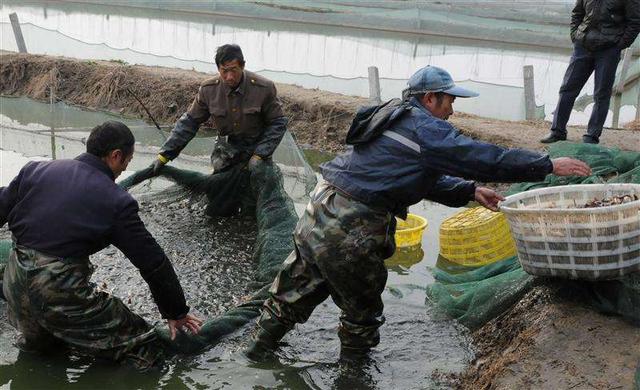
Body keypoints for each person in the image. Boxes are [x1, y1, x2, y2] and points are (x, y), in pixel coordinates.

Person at [245, 65, 592, 360]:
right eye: (449, 101)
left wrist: (469, 190)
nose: (452, 111)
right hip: (352, 224)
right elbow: (481, 156)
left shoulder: (392, 118)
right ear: (430, 99)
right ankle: (354, 377)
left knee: (289, 296)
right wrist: (545, 163)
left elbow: (406, 175)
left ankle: (253, 357)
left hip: (319, 210)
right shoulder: (426, 128)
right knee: (361, 315)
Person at [0, 121, 202, 369]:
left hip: (14, 282)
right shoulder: (116, 200)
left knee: (42, 354)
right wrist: (176, 312)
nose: (125, 168)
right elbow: (152, 262)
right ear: (116, 156)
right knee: (143, 345)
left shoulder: (35, 170)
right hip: (58, 290)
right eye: (128, 161)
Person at [150, 43, 288, 174]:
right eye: (224, 71)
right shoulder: (208, 90)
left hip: (255, 151)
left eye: (234, 70)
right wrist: (164, 156)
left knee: (256, 191)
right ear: (218, 69)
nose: (229, 77)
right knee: (218, 193)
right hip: (224, 153)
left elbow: (278, 123)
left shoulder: (264, 88)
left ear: (243, 66)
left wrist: (260, 154)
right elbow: (189, 123)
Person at [541, 0, 640, 144]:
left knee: (601, 94)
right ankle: (557, 131)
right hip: (583, 46)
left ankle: (591, 136)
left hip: (608, 50)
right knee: (567, 89)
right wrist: (576, 36)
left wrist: (618, 45)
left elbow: (635, 22)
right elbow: (577, 13)